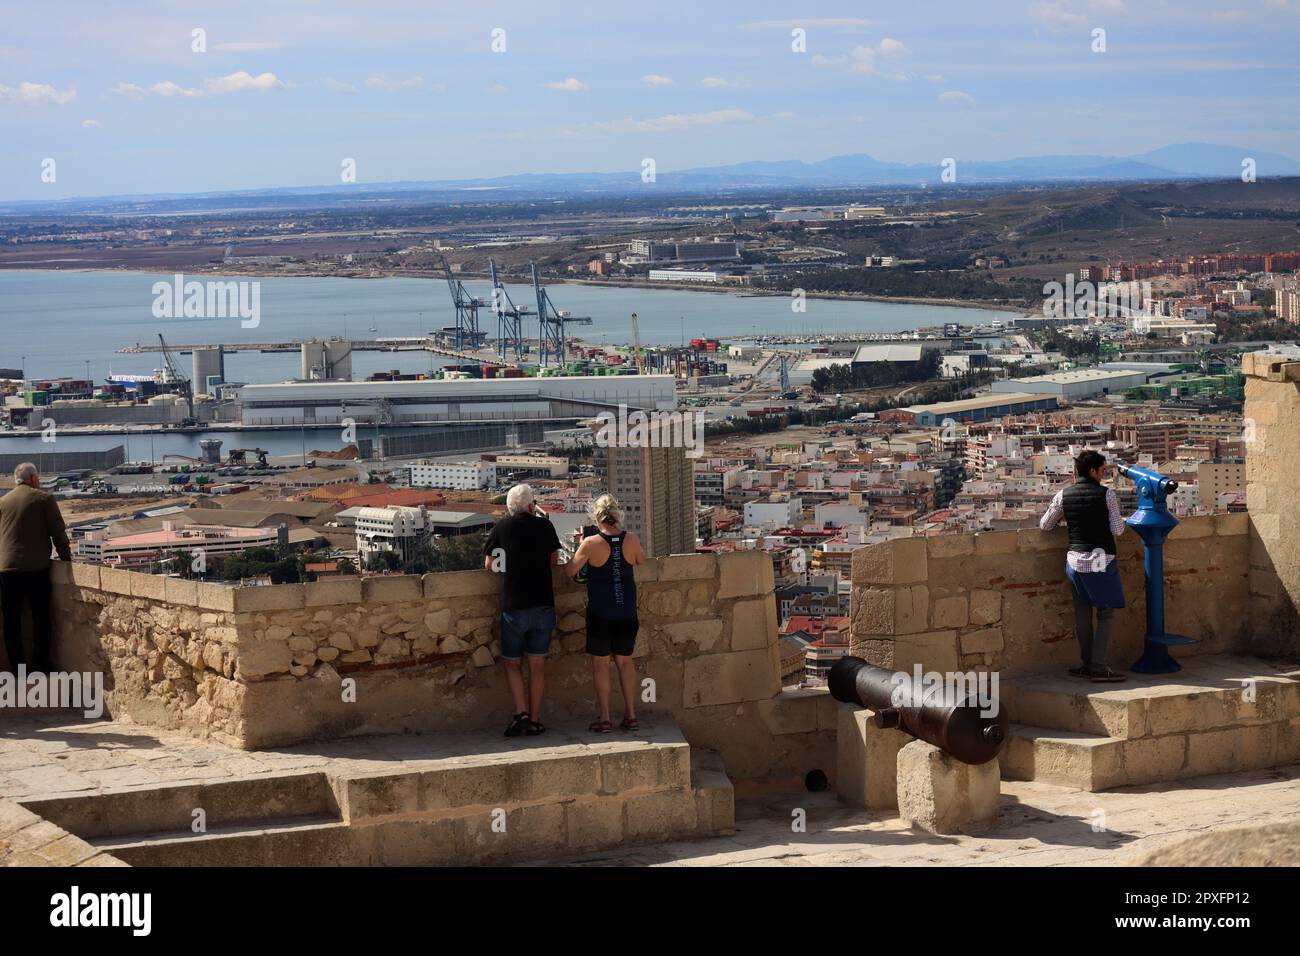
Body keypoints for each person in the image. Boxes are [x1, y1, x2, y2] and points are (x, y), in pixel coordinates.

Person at [1039, 450, 1131, 683]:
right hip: (1101, 560)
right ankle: (1098, 667)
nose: (1103, 475)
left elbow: (1045, 525)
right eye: (1101, 470)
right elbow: (1118, 529)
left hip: (1076, 560)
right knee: (1106, 613)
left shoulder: (1063, 494)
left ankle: (1086, 664)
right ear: (1092, 471)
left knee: (1082, 614)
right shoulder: (1107, 495)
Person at [483, 483, 561, 737]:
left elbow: (489, 564)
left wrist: (509, 567)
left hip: (514, 605)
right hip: (543, 603)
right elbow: (553, 561)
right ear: (531, 506)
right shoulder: (545, 526)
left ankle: (521, 714)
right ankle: (536, 720)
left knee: (512, 664)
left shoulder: (501, 528)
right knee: (537, 665)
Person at [568, 494, 645, 732]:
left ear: (597, 517)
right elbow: (640, 561)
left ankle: (605, 718)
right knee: (625, 663)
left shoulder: (590, 543)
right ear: (616, 515)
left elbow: (570, 571)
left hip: (601, 613)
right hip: (627, 612)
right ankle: (631, 715)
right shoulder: (630, 539)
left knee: (601, 665)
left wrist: (582, 544)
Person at [0, 463, 72, 675]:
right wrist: (67, 560)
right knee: (41, 618)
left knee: (11, 621)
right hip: (35, 570)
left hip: (7, 571)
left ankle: (17, 668)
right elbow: (58, 533)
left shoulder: (3, 502)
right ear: (33, 479)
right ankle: (40, 666)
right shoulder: (44, 499)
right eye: (38, 478)